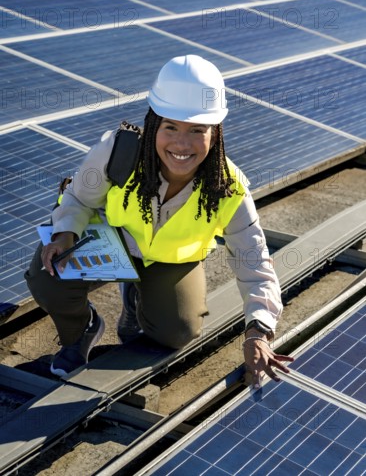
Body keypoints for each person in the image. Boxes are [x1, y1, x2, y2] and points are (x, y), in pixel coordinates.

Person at [25, 54, 293, 386]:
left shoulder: (229, 188)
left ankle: (139, 300)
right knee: (46, 272)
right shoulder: (118, 152)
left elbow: (255, 265)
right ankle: (82, 331)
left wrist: (259, 331)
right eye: (170, 127)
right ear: (154, 123)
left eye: (197, 130)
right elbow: (79, 198)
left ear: (215, 133)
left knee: (178, 332)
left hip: (171, 263)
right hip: (118, 244)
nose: (182, 143)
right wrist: (65, 232)